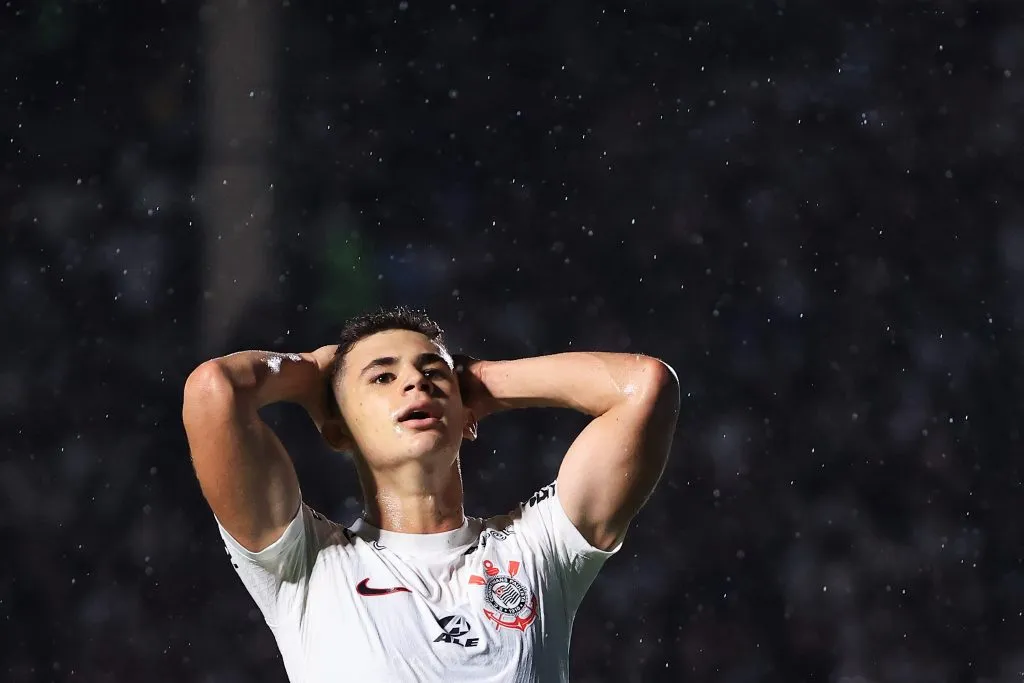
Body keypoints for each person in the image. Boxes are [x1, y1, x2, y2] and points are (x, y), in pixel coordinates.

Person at [182, 306, 679, 682]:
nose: (415, 382)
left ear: (468, 418)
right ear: (337, 431)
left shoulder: (536, 549)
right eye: (382, 377)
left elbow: (644, 387)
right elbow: (215, 390)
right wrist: (316, 367)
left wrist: (480, 380)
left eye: (433, 372)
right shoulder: (307, 566)